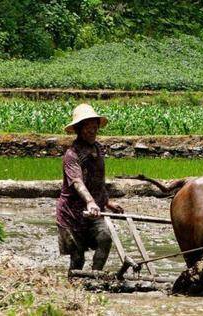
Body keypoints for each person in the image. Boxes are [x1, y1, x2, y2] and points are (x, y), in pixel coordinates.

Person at [56, 103, 124, 274]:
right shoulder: (71, 155)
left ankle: (96, 276)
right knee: (77, 257)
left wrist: (107, 202)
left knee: (105, 237)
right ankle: (74, 284)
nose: (92, 131)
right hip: (72, 214)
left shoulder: (98, 149)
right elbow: (77, 182)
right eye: (88, 127)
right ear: (79, 129)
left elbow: (98, 181)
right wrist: (90, 202)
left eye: (95, 127)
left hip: (94, 210)